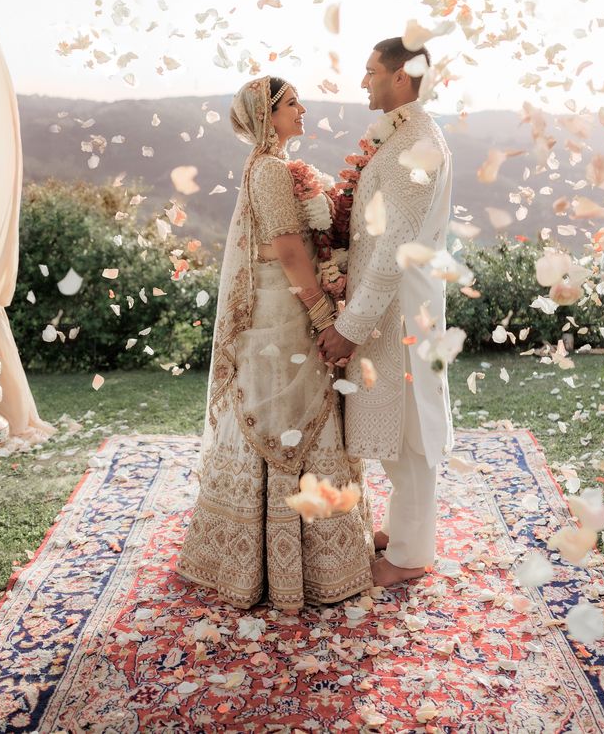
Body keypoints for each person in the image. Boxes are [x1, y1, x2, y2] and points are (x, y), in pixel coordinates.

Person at [177, 75, 372, 612]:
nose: (302, 109)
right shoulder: (269, 170)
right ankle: (273, 565)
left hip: (285, 301)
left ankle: (309, 554)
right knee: (284, 409)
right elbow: (287, 249)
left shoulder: (275, 168)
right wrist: (319, 308)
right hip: (280, 308)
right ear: (268, 115)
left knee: (298, 409)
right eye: (291, 104)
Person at [318, 39, 453, 589]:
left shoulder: (417, 143)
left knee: (411, 432)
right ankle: (403, 532)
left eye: (371, 71)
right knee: (398, 427)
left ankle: (410, 556)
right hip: (392, 305)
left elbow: (396, 246)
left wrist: (348, 329)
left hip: (400, 311)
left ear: (401, 77)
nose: (363, 81)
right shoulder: (405, 133)